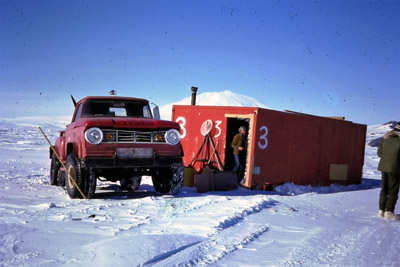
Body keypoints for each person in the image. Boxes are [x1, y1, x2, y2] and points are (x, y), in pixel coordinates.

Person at [378, 122, 400, 220]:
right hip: (395, 168)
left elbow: (379, 153)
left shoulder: (385, 140)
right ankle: (389, 211)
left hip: (383, 167)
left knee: (384, 188)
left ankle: (381, 210)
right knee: (393, 189)